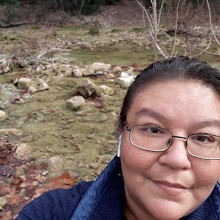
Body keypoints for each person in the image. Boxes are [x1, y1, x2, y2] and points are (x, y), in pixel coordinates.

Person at [16, 56, 220, 220]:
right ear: (121, 131)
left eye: (203, 138)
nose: (177, 160)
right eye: (153, 130)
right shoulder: (54, 212)